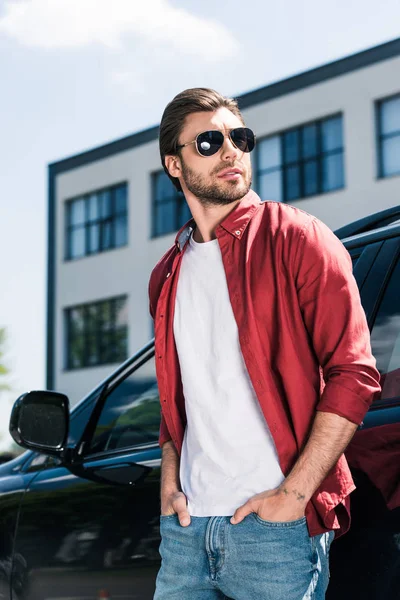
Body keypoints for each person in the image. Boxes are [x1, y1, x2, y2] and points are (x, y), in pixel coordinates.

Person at [148, 88, 381, 600]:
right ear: (175, 164)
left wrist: (294, 497)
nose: (231, 150)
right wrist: (169, 485)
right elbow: (176, 401)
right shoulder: (166, 275)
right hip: (187, 535)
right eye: (209, 141)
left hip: (275, 533)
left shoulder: (298, 239)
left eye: (240, 137)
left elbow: (354, 373)